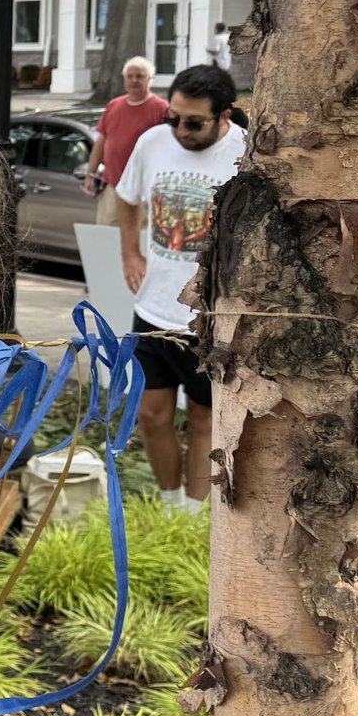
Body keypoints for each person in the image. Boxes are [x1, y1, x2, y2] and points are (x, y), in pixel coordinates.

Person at [117, 64, 246, 508]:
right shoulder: (152, 142)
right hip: (152, 309)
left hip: (208, 319)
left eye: (194, 122)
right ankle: (168, 505)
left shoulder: (244, 153)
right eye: (173, 117)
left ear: (223, 116)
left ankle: (193, 516)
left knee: (203, 417)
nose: (180, 130)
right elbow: (127, 196)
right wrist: (129, 251)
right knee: (151, 415)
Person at [81, 57, 169, 225]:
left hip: (146, 188)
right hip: (114, 185)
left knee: (141, 238)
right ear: (124, 79)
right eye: (130, 76)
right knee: (106, 232)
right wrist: (90, 175)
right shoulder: (113, 105)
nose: (134, 80)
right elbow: (101, 142)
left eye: (140, 76)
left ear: (149, 79)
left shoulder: (161, 108)